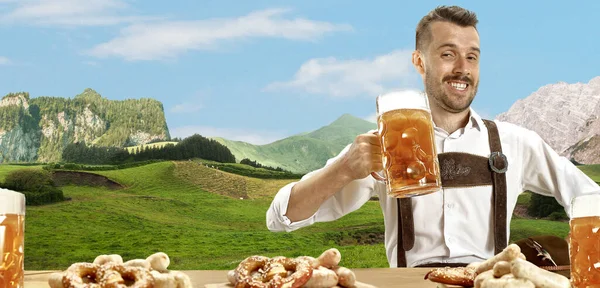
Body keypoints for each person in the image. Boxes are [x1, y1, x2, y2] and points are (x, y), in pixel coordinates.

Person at [265, 5, 600, 268]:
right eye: (447, 54)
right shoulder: (384, 144)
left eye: (472, 56)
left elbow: (589, 198)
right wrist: (343, 171)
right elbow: (281, 217)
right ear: (419, 61)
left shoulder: (516, 143)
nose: (462, 68)